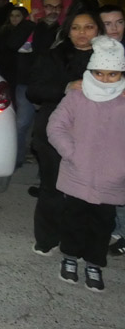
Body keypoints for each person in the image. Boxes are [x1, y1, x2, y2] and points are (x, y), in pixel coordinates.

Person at [47, 36, 125, 291]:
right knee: (73, 218)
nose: (105, 79)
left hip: (112, 178)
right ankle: (70, 257)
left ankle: (94, 263)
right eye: (99, 73)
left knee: (102, 224)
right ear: (90, 71)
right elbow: (56, 125)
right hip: (78, 173)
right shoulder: (77, 96)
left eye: (112, 74)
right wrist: (72, 153)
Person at [27, 8, 103, 255]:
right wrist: (65, 87)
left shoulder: (109, 58)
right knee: (53, 186)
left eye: (89, 27)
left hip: (96, 132)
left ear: (98, 30)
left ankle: (78, 242)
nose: (82, 33)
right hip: (56, 129)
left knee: (88, 190)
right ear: (68, 32)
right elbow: (34, 90)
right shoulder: (53, 56)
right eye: (76, 28)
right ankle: (47, 239)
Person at [13, 0, 62, 171]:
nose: (53, 11)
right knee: (22, 123)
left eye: (57, 7)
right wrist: (29, 24)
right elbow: (12, 44)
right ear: (41, 8)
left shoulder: (63, 32)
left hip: (50, 85)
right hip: (26, 82)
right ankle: (16, 159)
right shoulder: (30, 27)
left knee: (49, 128)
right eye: (49, 6)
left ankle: (46, 168)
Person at [98, 4, 125, 255]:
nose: (114, 28)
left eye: (119, 22)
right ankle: (115, 228)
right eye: (108, 23)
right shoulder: (97, 50)